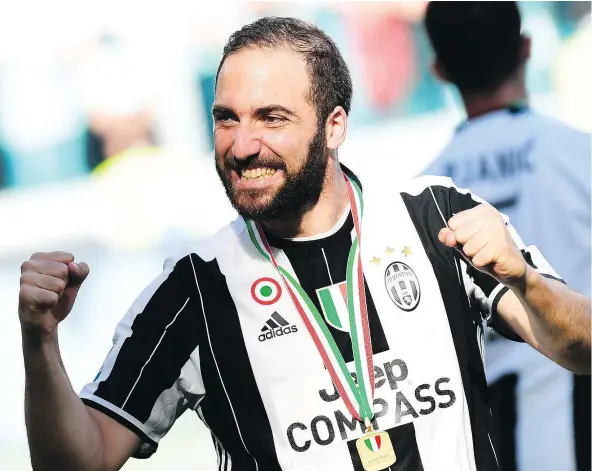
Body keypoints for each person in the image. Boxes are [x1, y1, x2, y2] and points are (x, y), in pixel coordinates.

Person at [18, 17, 591, 471]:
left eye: (271, 118)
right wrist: (40, 342)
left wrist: (526, 282)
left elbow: (582, 350)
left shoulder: (434, 217)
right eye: (226, 119)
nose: (242, 145)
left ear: (334, 125)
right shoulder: (193, 288)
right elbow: (80, 460)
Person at [421, 3, 591, 471]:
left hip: (479, 443)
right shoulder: (581, 156)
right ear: (527, 49)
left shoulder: (421, 199)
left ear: (438, 70)